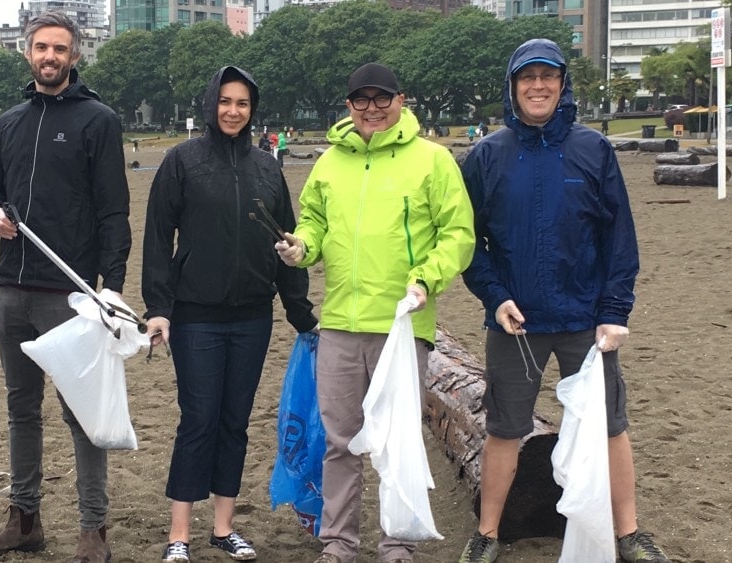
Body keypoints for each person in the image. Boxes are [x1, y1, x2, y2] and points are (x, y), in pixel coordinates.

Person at [457, 39, 669, 563]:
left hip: (586, 321)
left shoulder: (592, 149)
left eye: (547, 76)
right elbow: (466, 243)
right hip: (515, 324)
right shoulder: (486, 156)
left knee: (610, 425)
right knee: (505, 428)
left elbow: (619, 236)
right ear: (512, 87)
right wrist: (496, 296)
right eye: (527, 77)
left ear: (562, 84)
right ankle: (487, 534)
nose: (537, 86)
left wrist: (615, 312)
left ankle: (629, 534)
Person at [274, 62, 475, 563]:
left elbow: (459, 234)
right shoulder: (329, 163)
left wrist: (427, 278)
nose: (372, 109)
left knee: (394, 441)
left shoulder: (432, 160)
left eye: (381, 98)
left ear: (401, 100)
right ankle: (338, 542)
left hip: (404, 326)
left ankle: (396, 542)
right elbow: (314, 223)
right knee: (340, 441)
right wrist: (302, 247)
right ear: (349, 106)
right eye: (361, 100)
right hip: (340, 322)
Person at [0, 11, 131, 563]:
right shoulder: (9, 121)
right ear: (27, 52)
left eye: (60, 49)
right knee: (20, 409)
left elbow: (114, 210)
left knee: (82, 414)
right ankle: (25, 518)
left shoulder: (98, 120)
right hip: (12, 289)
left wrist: (113, 289)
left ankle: (93, 531)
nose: (50, 57)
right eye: (41, 47)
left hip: (71, 293)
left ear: (75, 57)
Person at [142, 65, 318, 562]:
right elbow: (158, 239)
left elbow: (285, 241)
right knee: (198, 419)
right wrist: (158, 308)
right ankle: (180, 534)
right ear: (210, 104)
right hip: (195, 315)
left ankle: (223, 527)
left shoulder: (268, 167)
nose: (233, 111)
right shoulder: (182, 161)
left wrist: (300, 312)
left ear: (252, 109)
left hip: (251, 317)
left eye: (242, 103)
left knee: (235, 422)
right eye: (225, 101)